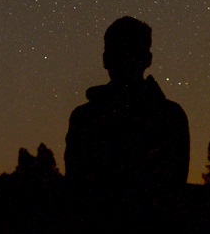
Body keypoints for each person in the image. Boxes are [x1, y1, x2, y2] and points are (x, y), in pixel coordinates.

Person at [65, 16, 189, 190]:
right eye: (119, 52)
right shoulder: (170, 116)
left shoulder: (85, 117)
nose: (125, 59)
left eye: (131, 52)